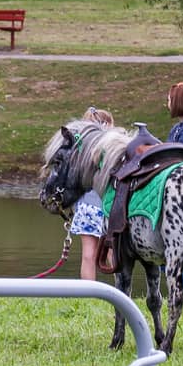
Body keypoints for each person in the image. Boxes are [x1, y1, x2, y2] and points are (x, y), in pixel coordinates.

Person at [70, 107, 114, 281]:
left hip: (86, 205)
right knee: (112, 253)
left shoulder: (80, 149)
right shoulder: (110, 148)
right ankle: (123, 293)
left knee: (88, 255)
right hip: (108, 206)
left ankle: (89, 297)